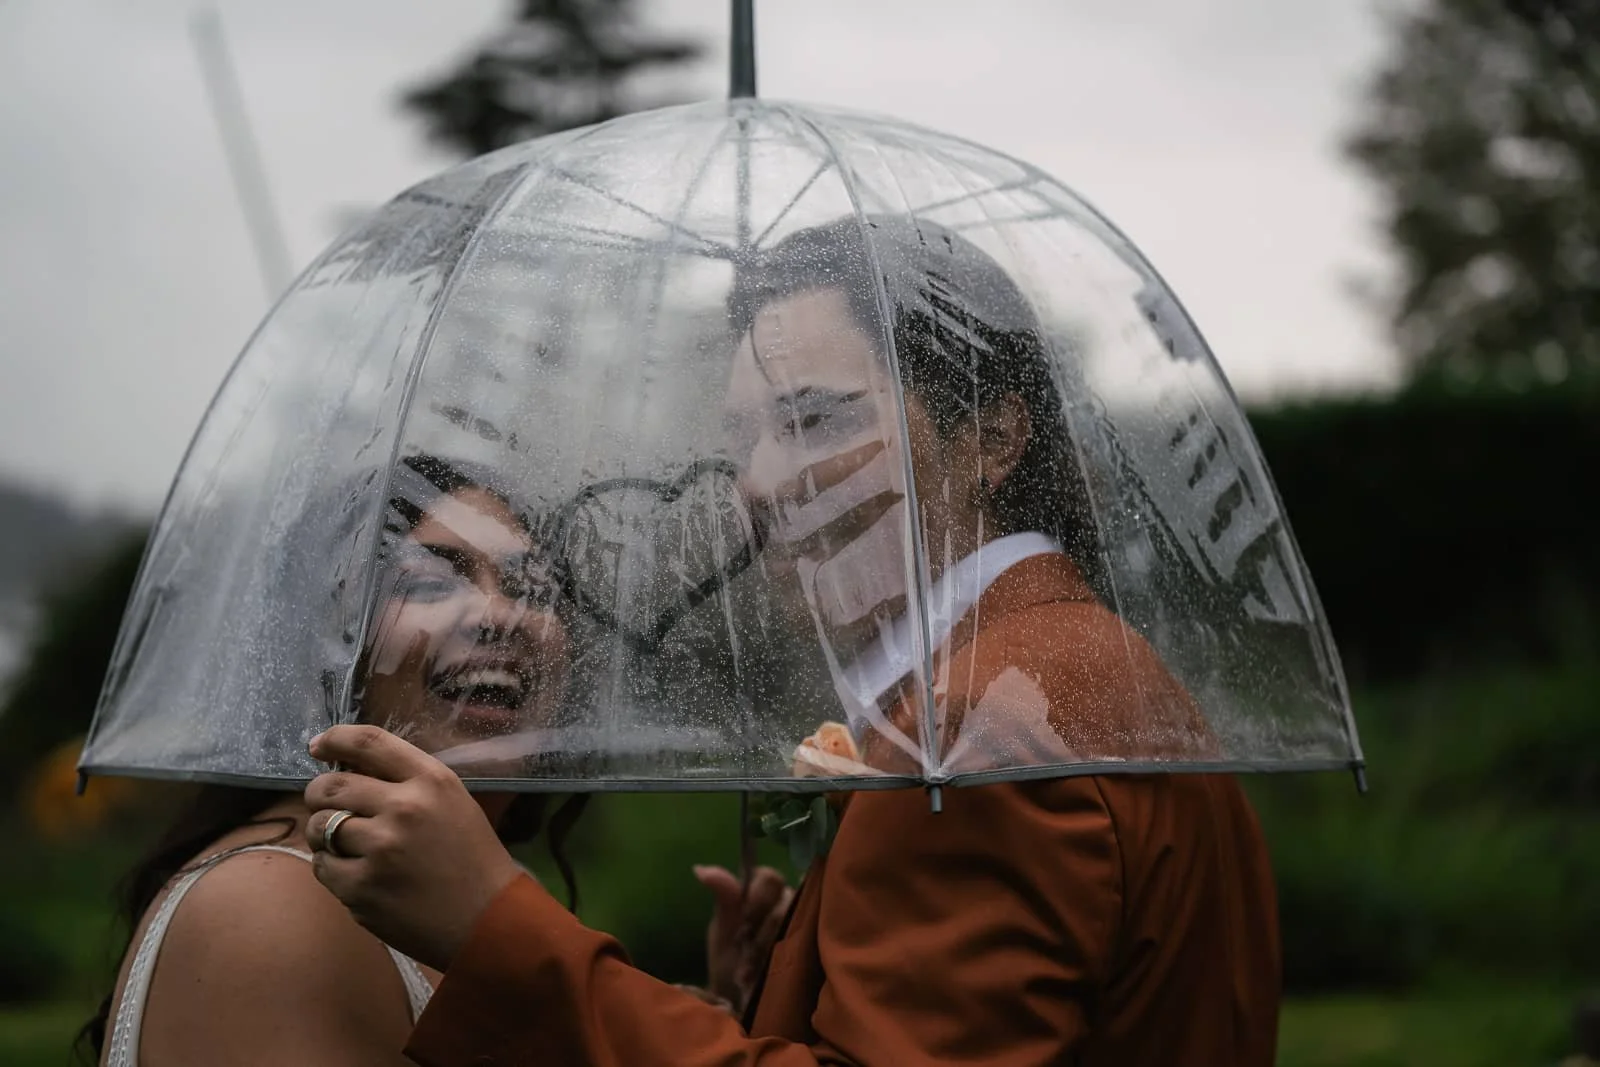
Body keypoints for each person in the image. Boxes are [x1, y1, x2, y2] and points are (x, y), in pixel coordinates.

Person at [304, 217, 1282, 1066]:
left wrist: (493, 927)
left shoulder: (980, 726)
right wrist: (780, 996)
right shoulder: (1078, 661)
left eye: (814, 420)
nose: (763, 483)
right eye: (743, 441)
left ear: (991, 435)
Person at [81, 455, 586, 1067]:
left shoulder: (490, 895)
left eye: (531, 588)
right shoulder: (271, 907)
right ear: (325, 644)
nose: (501, 615)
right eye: (430, 582)